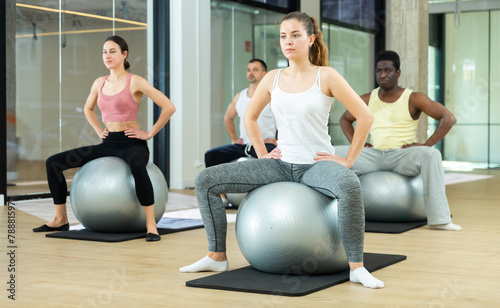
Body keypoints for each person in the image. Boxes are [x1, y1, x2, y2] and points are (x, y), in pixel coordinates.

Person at [180, 11, 384, 289]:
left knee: (349, 185)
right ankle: (216, 256)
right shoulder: (273, 78)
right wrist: (263, 153)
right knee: (206, 180)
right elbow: (249, 117)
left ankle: (356, 267)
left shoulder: (326, 76)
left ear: (310, 39)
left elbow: (365, 117)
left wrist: (348, 159)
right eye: (283, 36)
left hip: (315, 164)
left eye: (296, 35)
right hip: (279, 163)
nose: (288, 41)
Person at [33, 36, 176, 241]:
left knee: (137, 165)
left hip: (132, 143)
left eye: (112, 51)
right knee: (53, 163)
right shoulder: (99, 83)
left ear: (124, 54)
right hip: (109, 143)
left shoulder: (135, 81)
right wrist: (100, 130)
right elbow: (87, 109)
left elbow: (169, 107)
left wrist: (148, 133)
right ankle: (59, 218)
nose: (107, 55)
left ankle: (151, 224)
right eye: (104, 51)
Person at [336, 50, 461, 231]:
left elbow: (448, 118)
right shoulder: (367, 99)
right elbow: (344, 120)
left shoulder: (413, 98)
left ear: (398, 73)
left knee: (431, 154)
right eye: (379, 71)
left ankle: (440, 220)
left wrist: (426, 145)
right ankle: (333, 216)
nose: (383, 75)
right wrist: (359, 143)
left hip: (403, 155)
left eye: (388, 70)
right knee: (330, 152)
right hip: (374, 155)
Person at [204, 59, 277, 167]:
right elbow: (228, 118)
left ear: (264, 74)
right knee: (211, 155)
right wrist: (234, 139)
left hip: (265, 145)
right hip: (243, 146)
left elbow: (285, 118)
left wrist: (277, 140)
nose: (250, 72)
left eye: (255, 70)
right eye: (248, 70)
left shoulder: (272, 96)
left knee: (275, 157)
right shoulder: (239, 97)